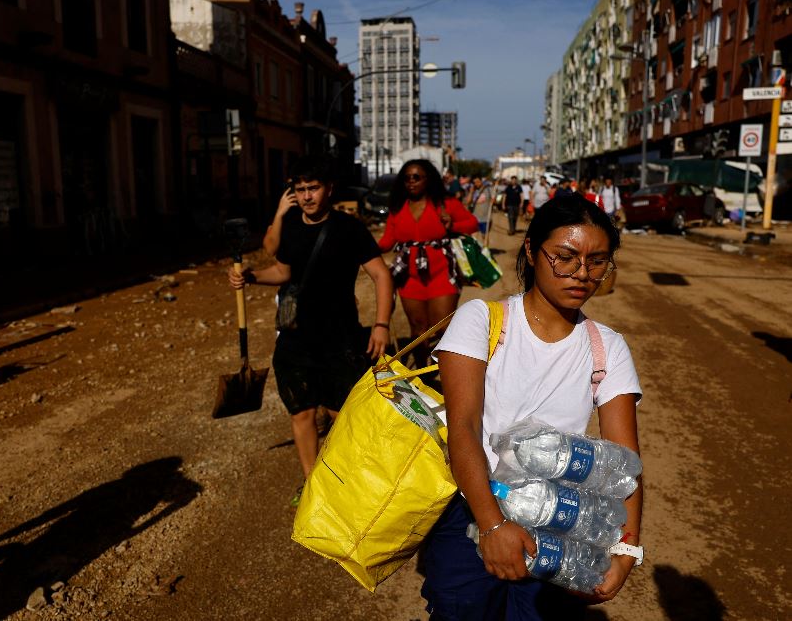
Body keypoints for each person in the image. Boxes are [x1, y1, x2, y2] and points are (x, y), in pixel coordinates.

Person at [420, 194, 643, 620]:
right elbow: (463, 429)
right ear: (531, 250)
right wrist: (493, 525)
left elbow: (625, 465)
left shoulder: (607, 348)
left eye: (597, 262)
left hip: (559, 523)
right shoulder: (482, 322)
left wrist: (625, 552)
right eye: (565, 257)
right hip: (472, 510)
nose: (581, 274)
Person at [229, 156, 393, 504]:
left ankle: (347, 479)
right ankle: (313, 482)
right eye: (300, 189)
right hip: (296, 337)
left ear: (329, 189)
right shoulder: (290, 228)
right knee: (301, 411)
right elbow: (283, 272)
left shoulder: (349, 228)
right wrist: (252, 277)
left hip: (341, 337)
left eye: (313, 188)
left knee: (341, 415)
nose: (306, 196)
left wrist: (380, 324)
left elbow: (381, 275)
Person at [378, 159, 478, 367]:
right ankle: (423, 373)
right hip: (409, 277)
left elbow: (472, 223)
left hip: (441, 275)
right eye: (406, 178)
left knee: (443, 327)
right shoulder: (397, 208)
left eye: (417, 177)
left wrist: (452, 223)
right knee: (418, 328)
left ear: (428, 179)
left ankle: (447, 369)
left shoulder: (445, 203)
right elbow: (387, 241)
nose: (411, 182)